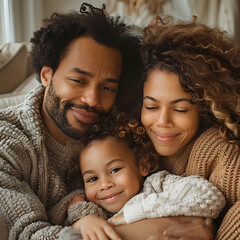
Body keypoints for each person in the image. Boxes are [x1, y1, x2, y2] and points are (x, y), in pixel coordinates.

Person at [0, 3, 142, 239]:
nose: (92, 100)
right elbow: (28, 232)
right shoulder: (6, 140)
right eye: (78, 80)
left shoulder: (122, 133)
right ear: (47, 75)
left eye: (107, 87)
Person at [139, 16, 240, 239]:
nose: (162, 120)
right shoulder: (132, 146)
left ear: (203, 110)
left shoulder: (217, 152)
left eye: (181, 109)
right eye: (151, 106)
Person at [64, 111, 225, 240]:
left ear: (142, 165)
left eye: (115, 170)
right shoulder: (96, 212)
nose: (105, 184)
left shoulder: (156, 184)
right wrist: (81, 218)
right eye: (92, 179)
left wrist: (137, 212)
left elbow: (210, 196)